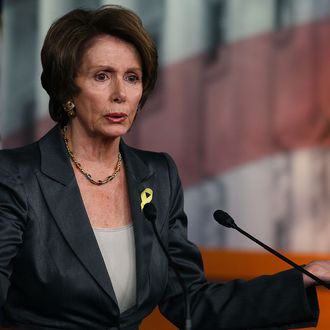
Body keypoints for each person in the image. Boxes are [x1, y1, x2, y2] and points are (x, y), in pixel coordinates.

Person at [0, 5, 330, 330]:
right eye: (102, 76)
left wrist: (301, 278)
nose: (120, 94)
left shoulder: (158, 176)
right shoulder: (16, 176)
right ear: (67, 88)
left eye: (132, 78)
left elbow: (191, 301)